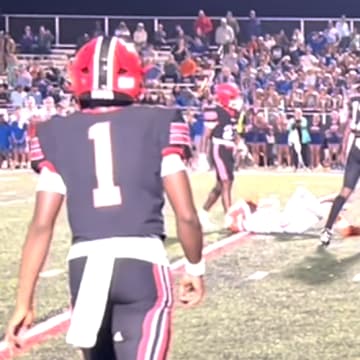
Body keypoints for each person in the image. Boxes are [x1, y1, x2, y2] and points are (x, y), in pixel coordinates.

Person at [5, 36, 205, 360]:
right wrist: (195, 268)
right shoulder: (160, 122)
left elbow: (41, 226)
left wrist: (24, 301)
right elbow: (186, 215)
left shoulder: (54, 132)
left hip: (85, 267)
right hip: (142, 265)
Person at [198, 83, 242, 230]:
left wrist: (240, 145)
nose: (235, 100)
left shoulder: (233, 112)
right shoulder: (214, 111)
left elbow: (233, 131)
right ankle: (230, 219)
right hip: (219, 148)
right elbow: (205, 136)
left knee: (220, 186)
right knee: (226, 182)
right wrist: (202, 155)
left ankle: (202, 214)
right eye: (232, 97)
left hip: (229, 149)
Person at [320, 87, 360, 246]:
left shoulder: (354, 100)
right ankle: (327, 229)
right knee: (345, 191)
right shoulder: (354, 100)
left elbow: (347, 125)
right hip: (356, 148)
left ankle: (327, 230)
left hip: (355, 146)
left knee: (345, 192)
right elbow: (348, 125)